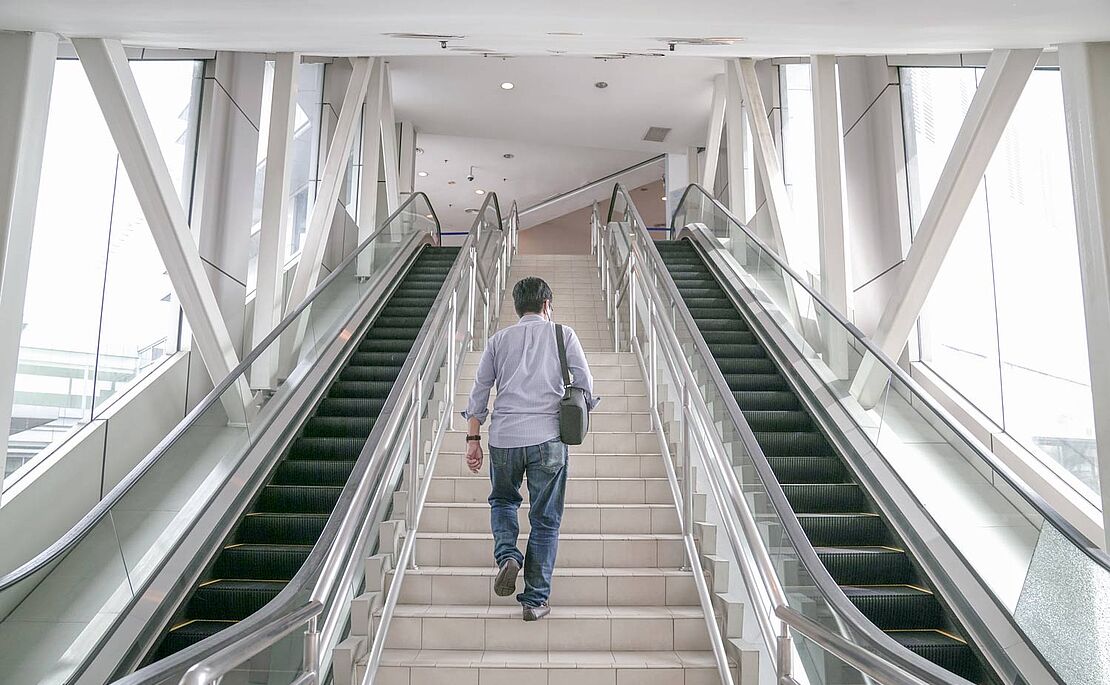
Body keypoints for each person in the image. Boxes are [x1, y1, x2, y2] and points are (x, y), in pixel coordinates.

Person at [461, 276, 597, 621]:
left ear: (517, 307)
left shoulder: (498, 340)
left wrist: (472, 439)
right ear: (547, 305)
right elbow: (585, 385)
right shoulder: (563, 335)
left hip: (503, 437)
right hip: (548, 438)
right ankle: (535, 601)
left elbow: (479, 392)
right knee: (546, 520)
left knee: (504, 500)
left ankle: (508, 555)